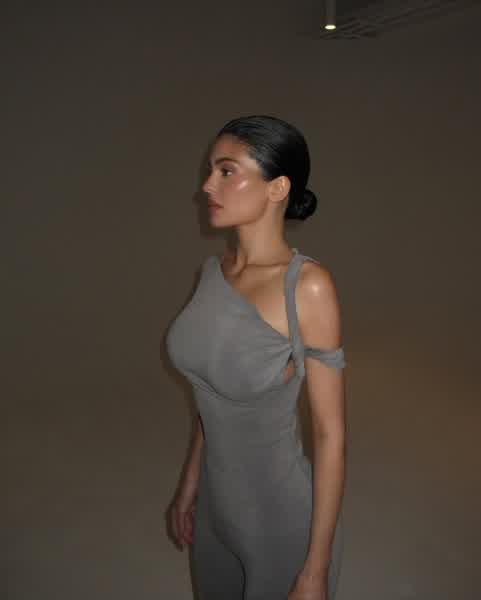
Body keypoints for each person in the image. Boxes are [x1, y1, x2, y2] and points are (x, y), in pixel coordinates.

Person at [166, 115, 346, 600]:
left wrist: (315, 570)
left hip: (279, 519)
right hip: (214, 511)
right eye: (211, 170)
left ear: (278, 187)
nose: (207, 186)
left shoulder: (306, 287)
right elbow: (209, 395)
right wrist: (189, 484)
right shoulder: (213, 272)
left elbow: (329, 435)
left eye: (227, 171)